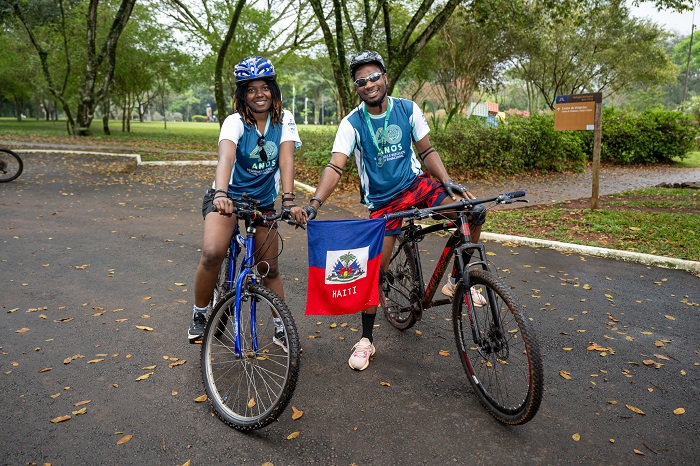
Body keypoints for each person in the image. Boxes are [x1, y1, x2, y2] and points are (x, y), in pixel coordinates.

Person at [302, 50, 486, 371]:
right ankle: (366, 340)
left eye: (374, 77)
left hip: (416, 185)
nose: (369, 84)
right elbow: (335, 165)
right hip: (383, 202)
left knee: (472, 213)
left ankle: (457, 280)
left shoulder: (408, 109)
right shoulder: (352, 123)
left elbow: (426, 149)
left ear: (385, 78)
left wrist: (447, 181)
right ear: (356, 87)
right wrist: (316, 202)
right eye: (362, 81)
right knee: (375, 271)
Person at [189, 56, 305, 345]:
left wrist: (288, 201)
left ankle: (281, 327)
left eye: (264, 87)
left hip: (262, 202)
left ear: (273, 89)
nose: (259, 94)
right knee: (213, 252)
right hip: (227, 197)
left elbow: (287, 159)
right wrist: (220, 194)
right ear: (243, 95)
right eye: (251, 89)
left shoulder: (285, 120)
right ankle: (200, 313)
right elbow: (226, 158)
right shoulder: (235, 122)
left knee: (269, 267)